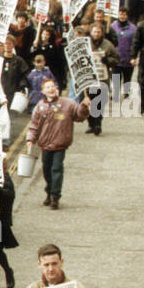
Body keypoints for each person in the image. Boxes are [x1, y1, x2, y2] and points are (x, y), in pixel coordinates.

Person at [26, 78, 90, 210]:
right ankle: (49, 192)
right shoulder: (40, 106)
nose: (51, 89)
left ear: (57, 89)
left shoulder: (68, 104)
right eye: (47, 87)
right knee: (47, 171)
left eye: (53, 86)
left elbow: (80, 117)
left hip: (60, 144)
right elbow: (34, 125)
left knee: (57, 169)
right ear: (43, 91)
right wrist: (30, 139)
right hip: (45, 145)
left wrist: (84, 106)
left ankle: (55, 197)